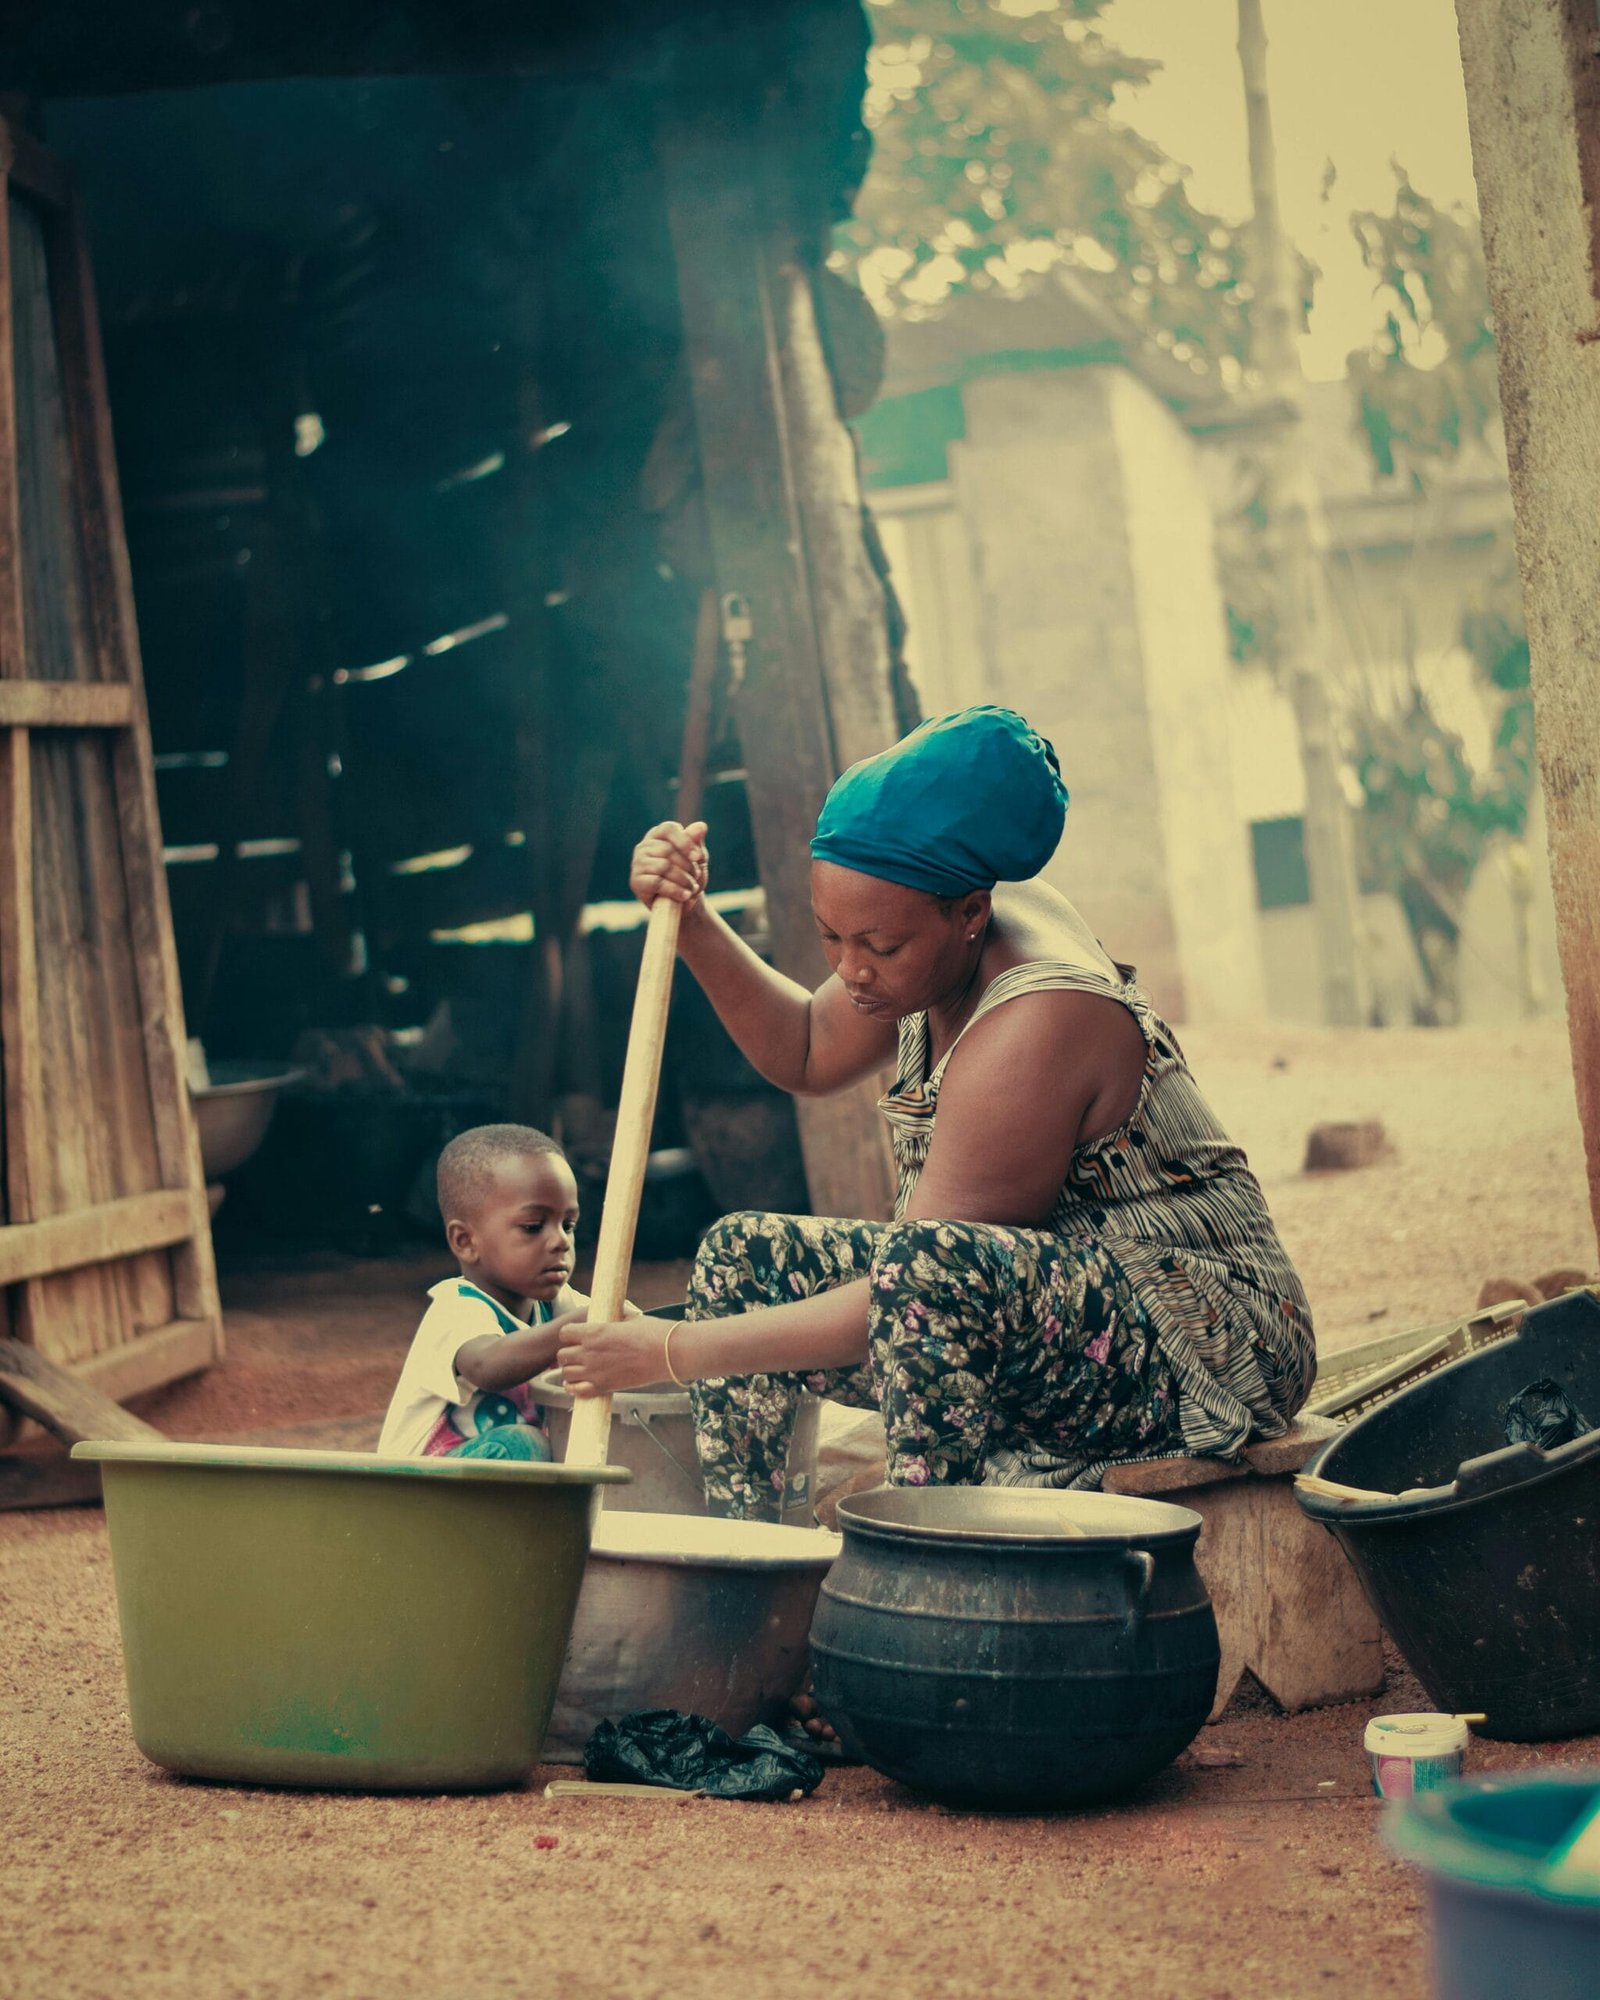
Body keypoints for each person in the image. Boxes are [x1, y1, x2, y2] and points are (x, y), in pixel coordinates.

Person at [558, 706, 1315, 1520]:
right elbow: (808, 1049)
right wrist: (692, 917)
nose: (851, 972)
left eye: (877, 948)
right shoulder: (921, 934)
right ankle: (756, 1569)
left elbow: (915, 1283)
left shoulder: (1034, 1021)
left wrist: (670, 1351)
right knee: (743, 1258)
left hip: (1204, 1343)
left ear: (970, 914)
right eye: (828, 938)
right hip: (1033, 1314)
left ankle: (924, 1581)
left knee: (925, 1270)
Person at [378, 1124, 587, 1461]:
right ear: (466, 1241)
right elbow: (488, 1365)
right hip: (417, 1496)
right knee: (522, 1446)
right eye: (534, 1227)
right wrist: (583, 1326)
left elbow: (622, 1327)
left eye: (569, 1225)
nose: (560, 1240)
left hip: (487, 1495)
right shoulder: (457, 1308)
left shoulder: (557, 1305)